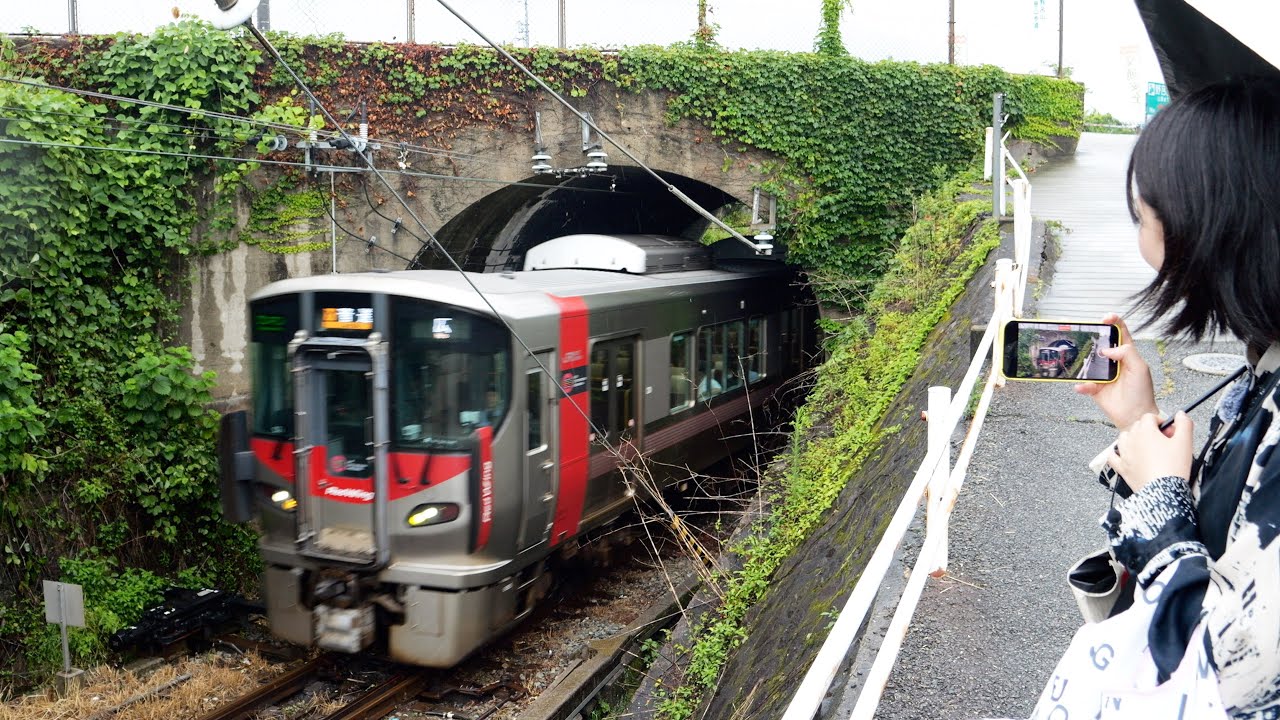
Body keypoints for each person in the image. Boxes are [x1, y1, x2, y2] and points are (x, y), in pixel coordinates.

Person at [1070, 76, 1280, 716]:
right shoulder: (1261, 368)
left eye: (1144, 214)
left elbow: (1228, 675)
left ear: (1213, 223)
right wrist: (1141, 424)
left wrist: (1160, 500)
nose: (1143, 240)